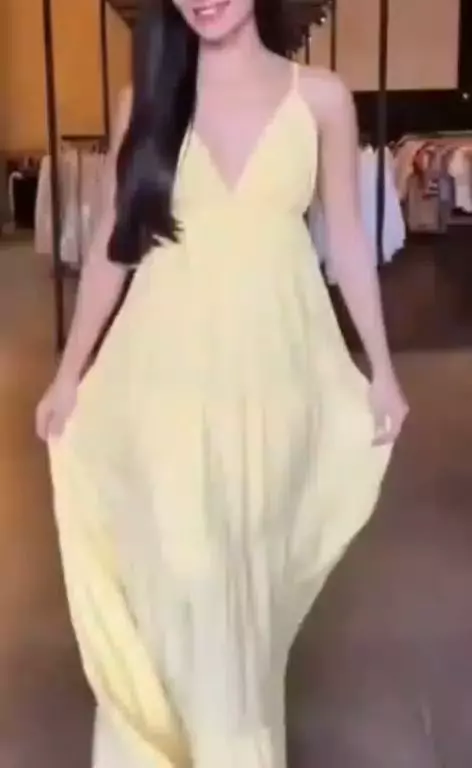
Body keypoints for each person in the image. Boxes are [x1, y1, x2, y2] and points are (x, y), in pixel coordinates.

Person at [36, 0, 408, 765]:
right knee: (189, 565)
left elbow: (347, 240)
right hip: (162, 373)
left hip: (276, 377)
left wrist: (382, 370)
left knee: (244, 583)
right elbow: (113, 245)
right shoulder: (147, 98)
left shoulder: (322, 100)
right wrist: (69, 373)